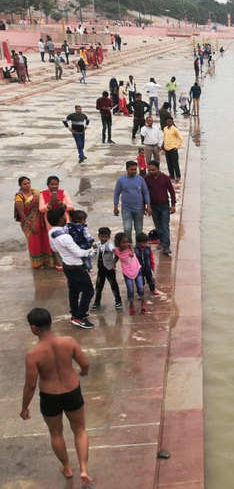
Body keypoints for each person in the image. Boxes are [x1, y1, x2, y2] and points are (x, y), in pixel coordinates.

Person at [20, 308, 92, 485]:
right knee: (80, 429)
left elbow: (30, 385)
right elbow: (85, 363)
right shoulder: (69, 342)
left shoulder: (33, 355)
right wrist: (83, 372)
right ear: (50, 323)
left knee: (56, 433)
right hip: (72, 391)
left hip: (50, 396)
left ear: (35, 328)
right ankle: (83, 469)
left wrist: (24, 407)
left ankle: (67, 467)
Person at [47, 208, 95, 328]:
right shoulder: (65, 237)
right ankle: (79, 317)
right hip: (76, 266)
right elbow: (79, 253)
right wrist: (92, 250)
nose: (66, 218)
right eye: (64, 216)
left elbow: (54, 249)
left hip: (66, 265)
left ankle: (74, 313)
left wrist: (65, 253)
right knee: (89, 291)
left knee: (74, 290)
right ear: (59, 219)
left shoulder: (52, 232)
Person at [14, 177, 54, 269]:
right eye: (24, 184)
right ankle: (37, 264)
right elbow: (22, 214)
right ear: (20, 185)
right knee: (34, 242)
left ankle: (47, 261)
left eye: (28, 183)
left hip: (40, 220)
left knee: (44, 240)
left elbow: (42, 203)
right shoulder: (19, 197)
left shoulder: (35, 192)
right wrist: (31, 225)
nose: (27, 185)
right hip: (28, 223)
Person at [113, 160, 151, 241]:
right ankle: (128, 245)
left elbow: (146, 192)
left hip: (139, 208)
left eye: (135, 169)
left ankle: (139, 246)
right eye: (132, 169)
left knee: (139, 230)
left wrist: (148, 206)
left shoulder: (140, 179)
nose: (134, 171)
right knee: (127, 229)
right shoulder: (121, 180)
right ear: (127, 169)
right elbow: (116, 193)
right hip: (126, 209)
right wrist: (115, 206)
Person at [145, 160, 176, 255]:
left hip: (164, 206)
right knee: (158, 227)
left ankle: (166, 247)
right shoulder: (147, 179)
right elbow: (145, 193)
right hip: (153, 207)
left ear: (158, 168)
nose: (151, 172)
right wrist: (147, 206)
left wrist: (173, 205)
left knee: (165, 226)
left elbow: (172, 192)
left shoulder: (165, 178)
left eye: (153, 170)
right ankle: (162, 242)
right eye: (149, 170)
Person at [114, 232, 146, 315]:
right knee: (130, 289)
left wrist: (131, 250)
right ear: (118, 243)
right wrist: (113, 264)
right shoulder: (116, 250)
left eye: (126, 242)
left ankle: (143, 304)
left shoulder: (129, 248)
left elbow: (132, 253)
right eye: (123, 242)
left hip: (136, 270)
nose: (125, 244)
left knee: (141, 288)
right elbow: (117, 257)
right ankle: (131, 305)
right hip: (127, 272)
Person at [91, 227, 122, 310]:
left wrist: (114, 262)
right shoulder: (97, 244)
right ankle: (97, 303)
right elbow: (93, 254)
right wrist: (92, 250)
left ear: (109, 237)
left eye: (106, 237)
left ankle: (118, 301)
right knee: (98, 287)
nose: (104, 238)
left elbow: (114, 250)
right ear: (99, 236)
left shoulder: (110, 244)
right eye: (102, 236)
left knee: (113, 285)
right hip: (101, 269)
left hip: (109, 269)